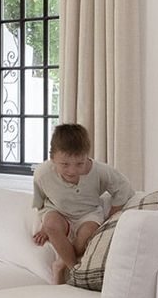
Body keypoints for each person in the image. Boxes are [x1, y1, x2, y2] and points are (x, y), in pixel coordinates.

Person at [32, 122, 134, 284]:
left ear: (87, 155)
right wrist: (45, 227)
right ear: (52, 158)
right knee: (51, 223)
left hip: (88, 213)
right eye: (64, 164)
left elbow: (123, 187)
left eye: (80, 163)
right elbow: (40, 200)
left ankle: (61, 264)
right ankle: (75, 270)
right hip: (58, 211)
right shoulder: (42, 173)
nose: (72, 171)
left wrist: (112, 214)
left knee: (88, 232)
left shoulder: (100, 171)